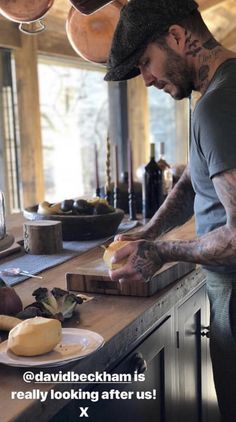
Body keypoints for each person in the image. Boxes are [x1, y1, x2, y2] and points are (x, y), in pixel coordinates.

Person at [104, 0, 236, 421]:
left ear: (178, 38)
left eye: (146, 61)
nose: (145, 80)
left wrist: (162, 253)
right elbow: (196, 176)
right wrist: (150, 232)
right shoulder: (221, 90)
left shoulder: (217, 106)